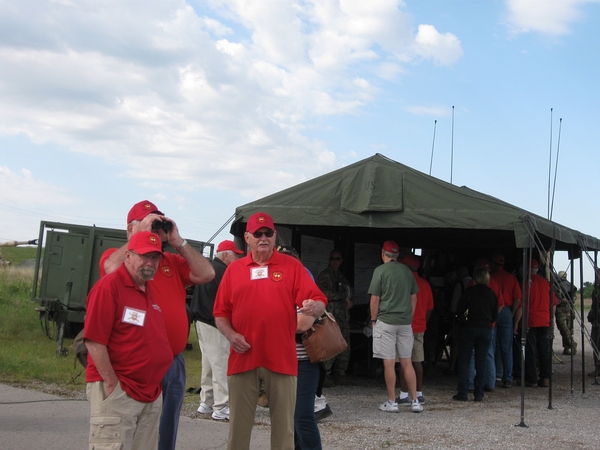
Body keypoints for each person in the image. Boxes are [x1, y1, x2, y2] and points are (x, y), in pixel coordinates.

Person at [100, 200, 215, 450]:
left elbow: (206, 274)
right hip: (135, 364)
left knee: (165, 431)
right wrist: (141, 235)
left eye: (158, 224)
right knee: (128, 433)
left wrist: (178, 241)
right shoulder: (121, 257)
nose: (155, 231)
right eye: (149, 224)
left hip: (172, 362)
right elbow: (110, 269)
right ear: (130, 229)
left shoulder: (170, 261)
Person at [213, 212, 327, 450]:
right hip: (243, 358)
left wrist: (315, 307)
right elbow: (220, 313)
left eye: (268, 233)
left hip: (282, 360)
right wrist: (231, 336)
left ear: (275, 236)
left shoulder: (292, 267)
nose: (263, 238)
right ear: (247, 237)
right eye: (258, 233)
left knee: (284, 429)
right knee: (238, 429)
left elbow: (318, 299)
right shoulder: (234, 270)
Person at [84, 231, 174, 450]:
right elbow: (94, 340)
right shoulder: (109, 287)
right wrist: (112, 383)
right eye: (144, 256)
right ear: (128, 256)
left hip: (149, 393)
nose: (150, 262)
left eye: (155, 257)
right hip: (120, 390)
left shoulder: (147, 289)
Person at [190, 239, 244, 421]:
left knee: (208, 364)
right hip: (214, 323)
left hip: (200, 321)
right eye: (236, 255)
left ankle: (207, 402)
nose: (238, 258)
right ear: (226, 254)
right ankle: (221, 406)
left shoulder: (208, 268)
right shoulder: (223, 271)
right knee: (221, 364)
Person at [277, 245, 323, 450]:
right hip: (281, 361)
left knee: (302, 417)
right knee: (287, 419)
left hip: (303, 361)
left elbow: (304, 323)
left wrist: (269, 324)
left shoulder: (305, 289)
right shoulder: (276, 289)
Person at [368, 240, 423, 413]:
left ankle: (392, 402)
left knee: (389, 363)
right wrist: (409, 316)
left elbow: (375, 298)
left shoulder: (380, 271)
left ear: (383, 253)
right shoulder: (407, 271)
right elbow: (414, 297)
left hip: (386, 321)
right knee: (407, 362)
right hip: (405, 322)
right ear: (397, 255)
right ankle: (415, 401)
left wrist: (373, 320)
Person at [452, 267, 499, 402]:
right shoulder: (491, 294)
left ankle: (462, 392)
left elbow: (459, 308)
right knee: (481, 361)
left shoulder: (469, 292)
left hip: (469, 327)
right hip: (485, 329)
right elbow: (495, 314)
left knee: (465, 360)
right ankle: (479, 393)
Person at [397, 254, 433, 406]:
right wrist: (423, 321)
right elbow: (430, 307)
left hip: (405, 326)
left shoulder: (403, 284)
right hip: (420, 327)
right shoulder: (425, 284)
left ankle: (404, 394)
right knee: (417, 360)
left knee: (403, 362)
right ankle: (419, 393)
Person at [518, 259, 557, 388]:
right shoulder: (546, 283)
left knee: (530, 349)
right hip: (544, 320)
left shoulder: (526, 284)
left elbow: (521, 304)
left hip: (531, 320)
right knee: (544, 349)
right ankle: (545, 377)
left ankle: (531, 378)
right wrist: (551, 318)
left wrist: (516, 322)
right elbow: (554, 303)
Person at [317, 250, 353, 386]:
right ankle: (325, 375)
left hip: (342, 316)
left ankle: (341, 373)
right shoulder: (325, 276)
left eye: (338, 259)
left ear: (341, 261)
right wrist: (342, 297)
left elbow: (349, 291)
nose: (335, 261)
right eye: (332, 259)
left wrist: (350, 300)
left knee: (344, 344)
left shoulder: (341, 277)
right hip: (330, 315)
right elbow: (323, 293)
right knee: (330, 344)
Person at [490, 254, 522, 388]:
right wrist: (512, 314)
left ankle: (492, 376)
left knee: (491, 346)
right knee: (506, 347)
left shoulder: (490, 278)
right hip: (506, 311)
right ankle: (507, 377)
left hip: (492, 310)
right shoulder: (511, 278)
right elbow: (518, 300)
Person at [553, 270, 577, 355]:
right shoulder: (556, 286)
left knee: (568, 329)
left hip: (568, 310)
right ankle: (571, 343)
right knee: (563, 329)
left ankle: (568, 347)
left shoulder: (569, 286)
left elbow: (574, 298)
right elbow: (554, 299)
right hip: (561, 310)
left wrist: (569, 300)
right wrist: (561, 300)